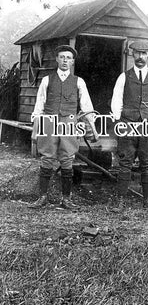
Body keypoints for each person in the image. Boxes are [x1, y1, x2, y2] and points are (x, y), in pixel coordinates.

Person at [30, 45, 94, 209]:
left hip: (69, 123)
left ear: (72, 62)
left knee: (67, 158)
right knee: (47, 157)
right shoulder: (47, 80)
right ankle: (42, 197)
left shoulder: (79, 81)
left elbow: (86, 106)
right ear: (57, 59)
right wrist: (37, 126)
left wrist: (90, 125)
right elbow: (39, 104)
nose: (65, 60)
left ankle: (66, 199)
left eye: (69, 58)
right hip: (49, 122)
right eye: (62, 57)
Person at [110, 41, 148, 212]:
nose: (140, 57)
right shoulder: (124, 77)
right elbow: (116, 101)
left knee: (147, 163)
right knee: (125, 163)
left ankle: (147, 202)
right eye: (137, 53)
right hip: (128, 125)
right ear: (132, 55)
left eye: (144, 53)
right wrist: (119, 121)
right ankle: (120, 201)